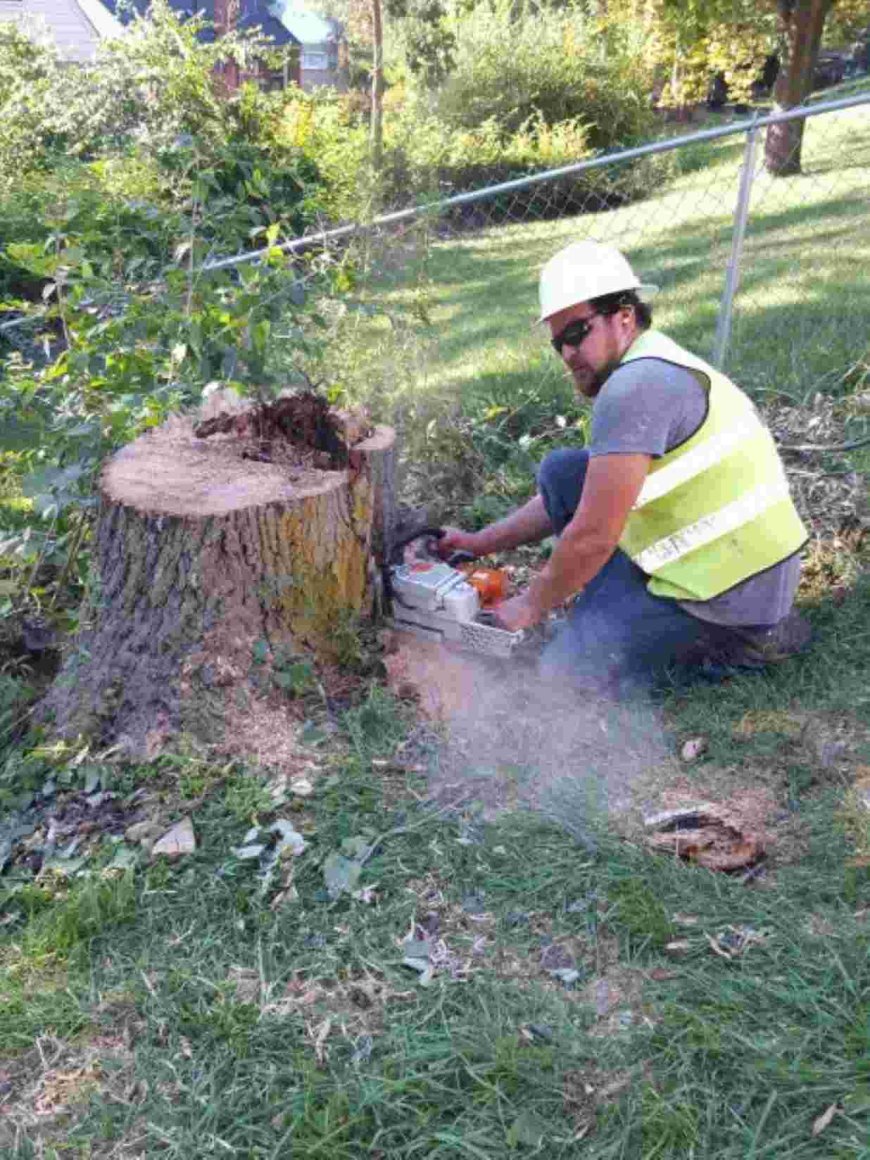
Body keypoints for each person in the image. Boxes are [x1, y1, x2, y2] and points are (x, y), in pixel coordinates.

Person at [438, 240, 811, 693]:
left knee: (566, 671)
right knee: (563, 473)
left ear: (625, 316)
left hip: (730, 596)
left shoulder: (634, 387)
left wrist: (527, 607)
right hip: (720, 564)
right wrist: (479, 543)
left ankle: (748, 644)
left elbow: (594, 533)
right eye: (559, 343)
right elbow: (592, 494)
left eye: (578, 332)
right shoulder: (650, 361)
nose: (569, 353)